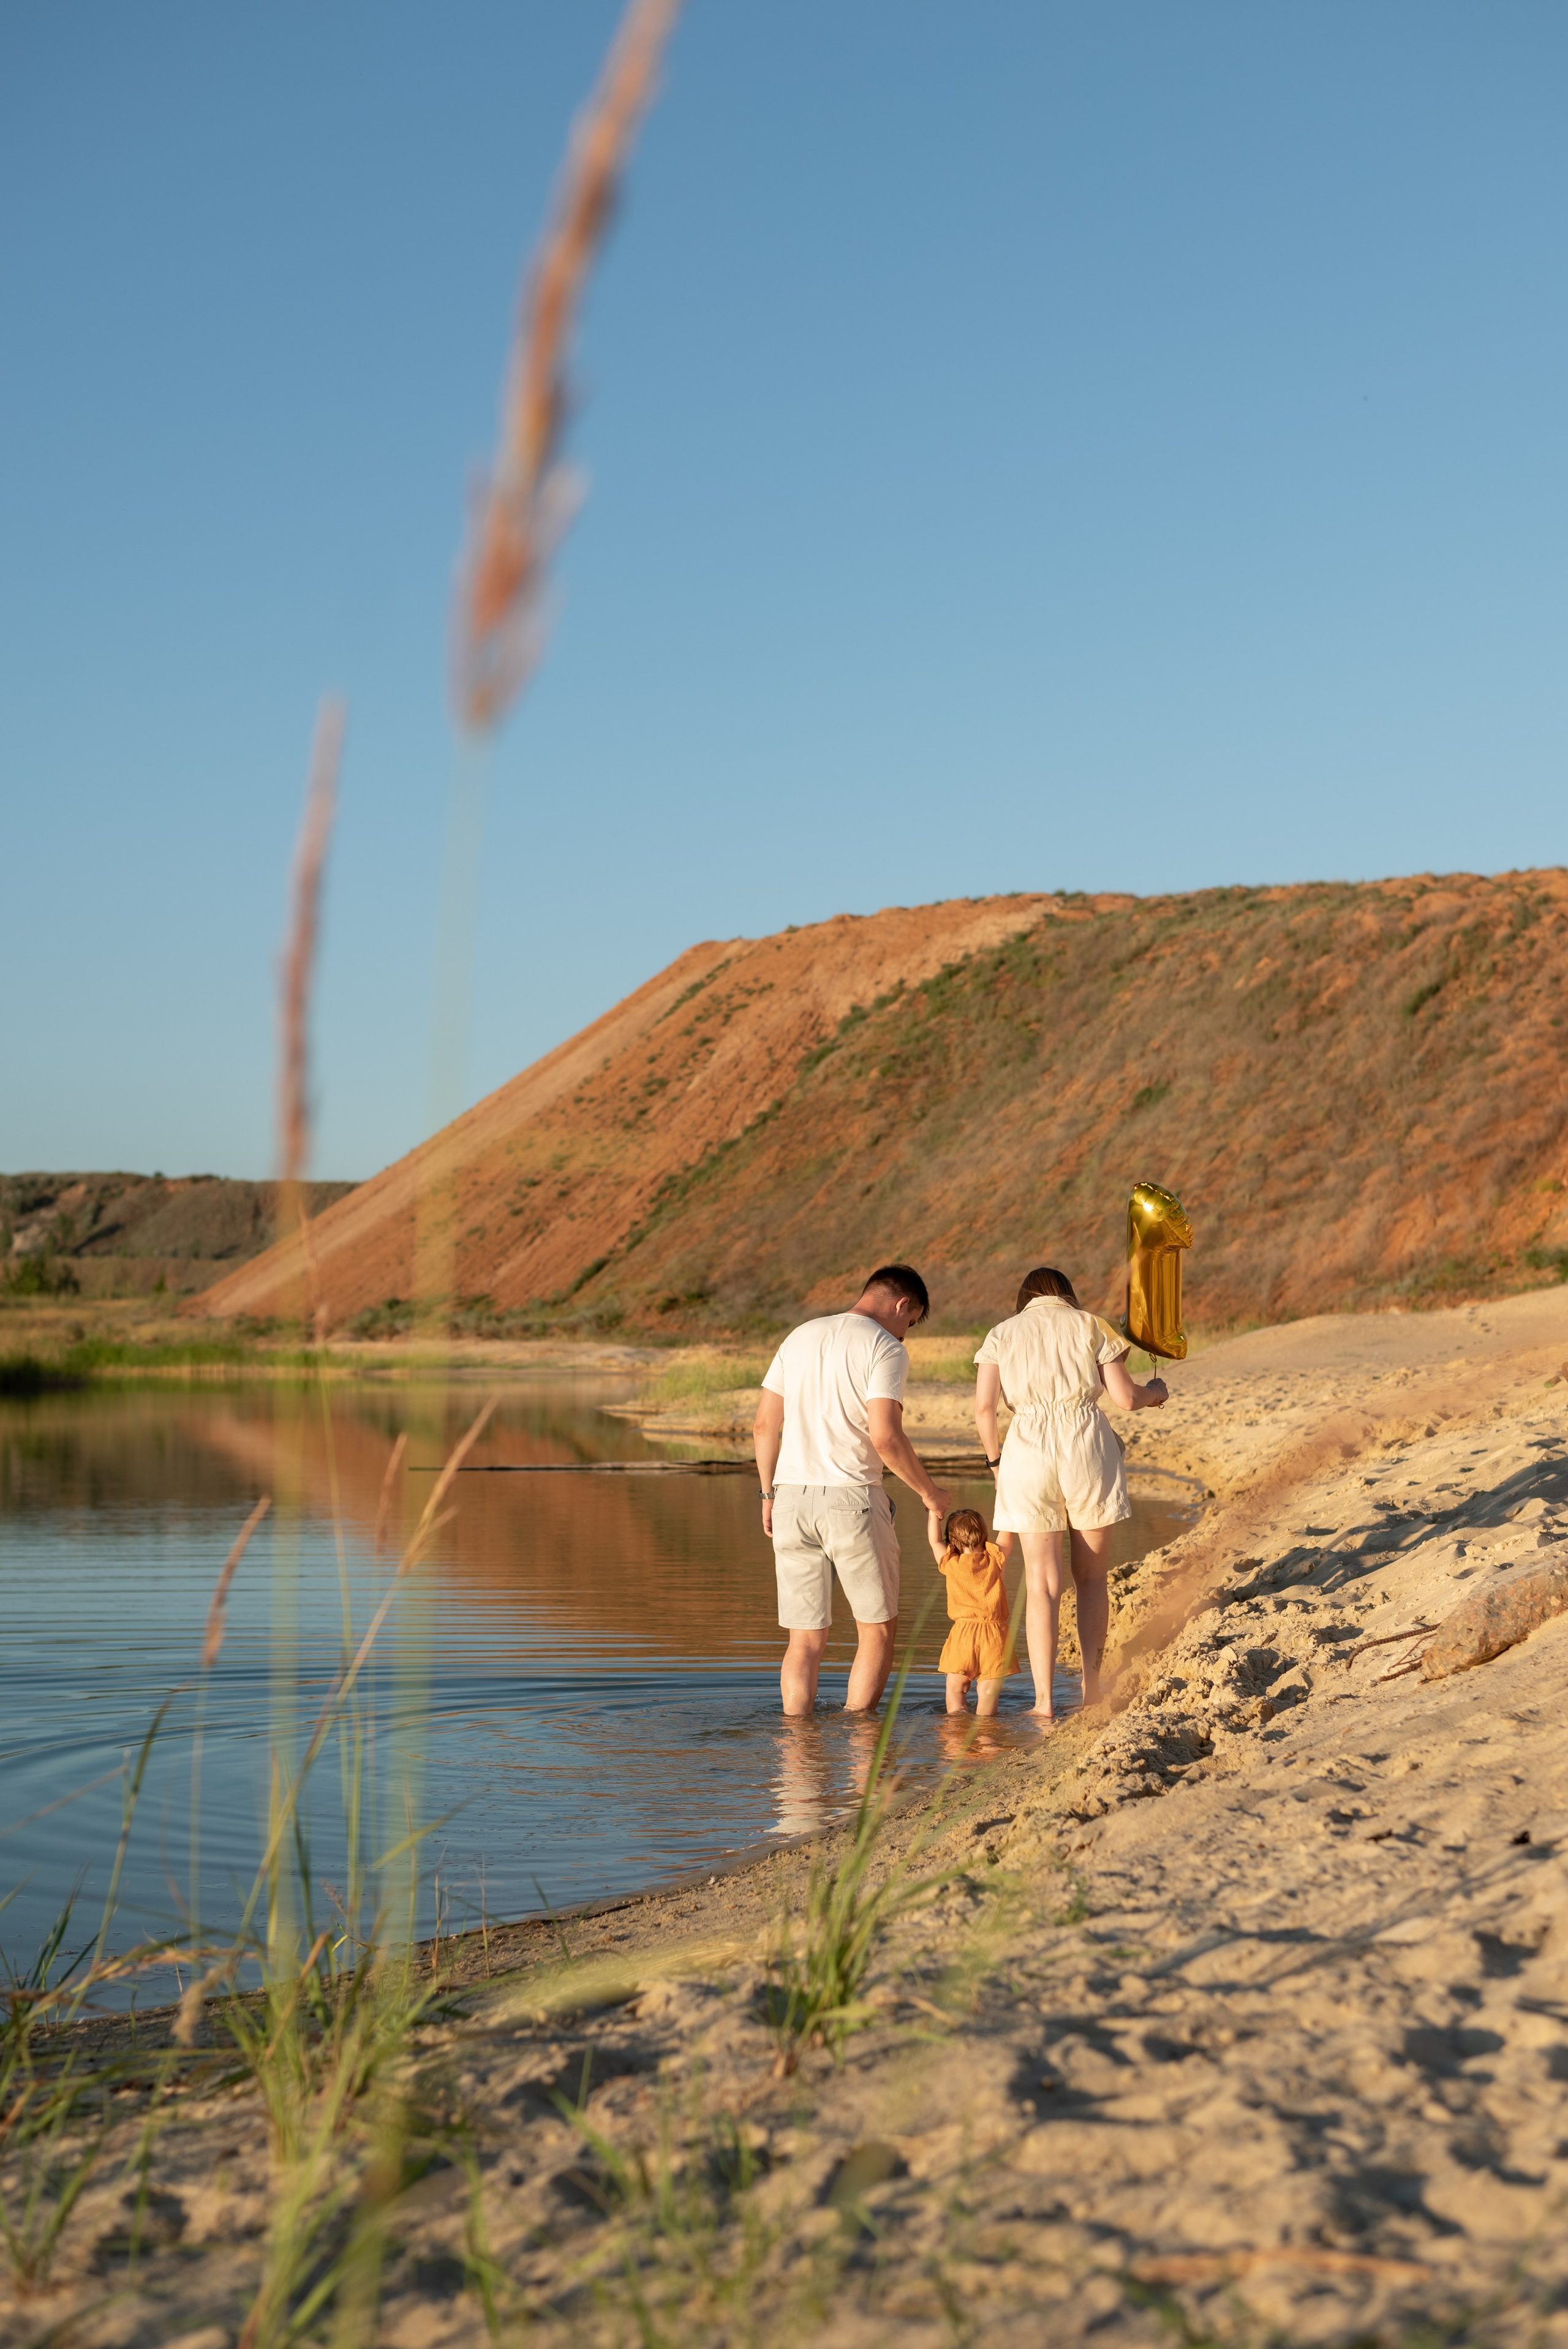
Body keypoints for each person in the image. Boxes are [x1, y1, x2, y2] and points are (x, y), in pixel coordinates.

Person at [753, 1264, 952, 1716]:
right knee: (876, 1630)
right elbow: (885, 1436)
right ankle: (862, 1742)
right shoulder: (885, 1347)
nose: (905, 1335)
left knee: (804, 1640)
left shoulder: (799, 1336)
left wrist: (768, 1495)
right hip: (852, 1498)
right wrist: (930, 1493)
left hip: (790, 1499)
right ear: (903, 1305)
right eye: (910, 1323)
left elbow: (764, 1425)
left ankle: (798, 1746)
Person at [974, 1265, 1169, 1720]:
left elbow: (983, 1410)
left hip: (1026, 1451)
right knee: (1092, 1578)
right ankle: (1091, 1690)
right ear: (1067, 1294)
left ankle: (1042, 1703)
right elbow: (1126, 1398)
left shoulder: (1001, 1333)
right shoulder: (1091, 1325)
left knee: (1041, 1583)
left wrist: (996, 1464)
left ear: (1025, 1298)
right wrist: (1156, 1392)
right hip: (1086, 1448)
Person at [925, 1504, 1017, 1717]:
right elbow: (1007, 1533)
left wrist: (933, 1513)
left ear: (953, 1541)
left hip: (963, 1636)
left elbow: (935, 1541)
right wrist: (1007, 1500)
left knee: (955, 1689)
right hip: (995, 1636)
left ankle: (956, 1727)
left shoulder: (951, 1563)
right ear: (984, 1535)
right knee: (988, 1693)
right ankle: (985, 1731)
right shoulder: (995, 1559)